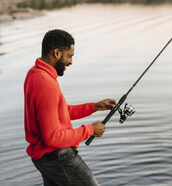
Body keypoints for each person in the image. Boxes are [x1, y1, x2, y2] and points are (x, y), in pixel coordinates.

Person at [24, 29, 116, 186]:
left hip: (45, 159)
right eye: (70, 56)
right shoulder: (46, 83)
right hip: (58, 158)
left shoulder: (35, 74)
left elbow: (59, 112)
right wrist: (90, 130)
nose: (71, 62)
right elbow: (53, 137)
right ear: (57, 53)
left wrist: (94, 106)